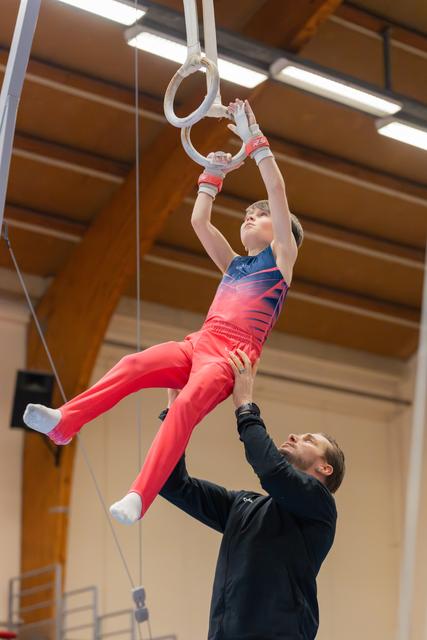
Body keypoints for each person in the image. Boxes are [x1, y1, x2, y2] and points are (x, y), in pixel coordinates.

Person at [23, 99, 304, 523]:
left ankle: (140, 494)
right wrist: (212, 175)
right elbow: (199, 223)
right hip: (199, 342)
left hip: (230, 359)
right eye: (247, 212)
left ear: (284, 231)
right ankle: (65, 422)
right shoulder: (234, 264)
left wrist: (255, 140)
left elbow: (278, 191)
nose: (250, 216)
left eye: (260, 214)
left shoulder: (281, 260)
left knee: (185, 407)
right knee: (134, 364)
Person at [160, 349, 345, 640]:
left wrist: (245, 405)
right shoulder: (243, 505)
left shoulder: (320, 507)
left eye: (309, 440)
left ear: (325, 467)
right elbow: (172, 484)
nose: (295, 436)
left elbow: (272, 472)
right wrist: (175, 417)